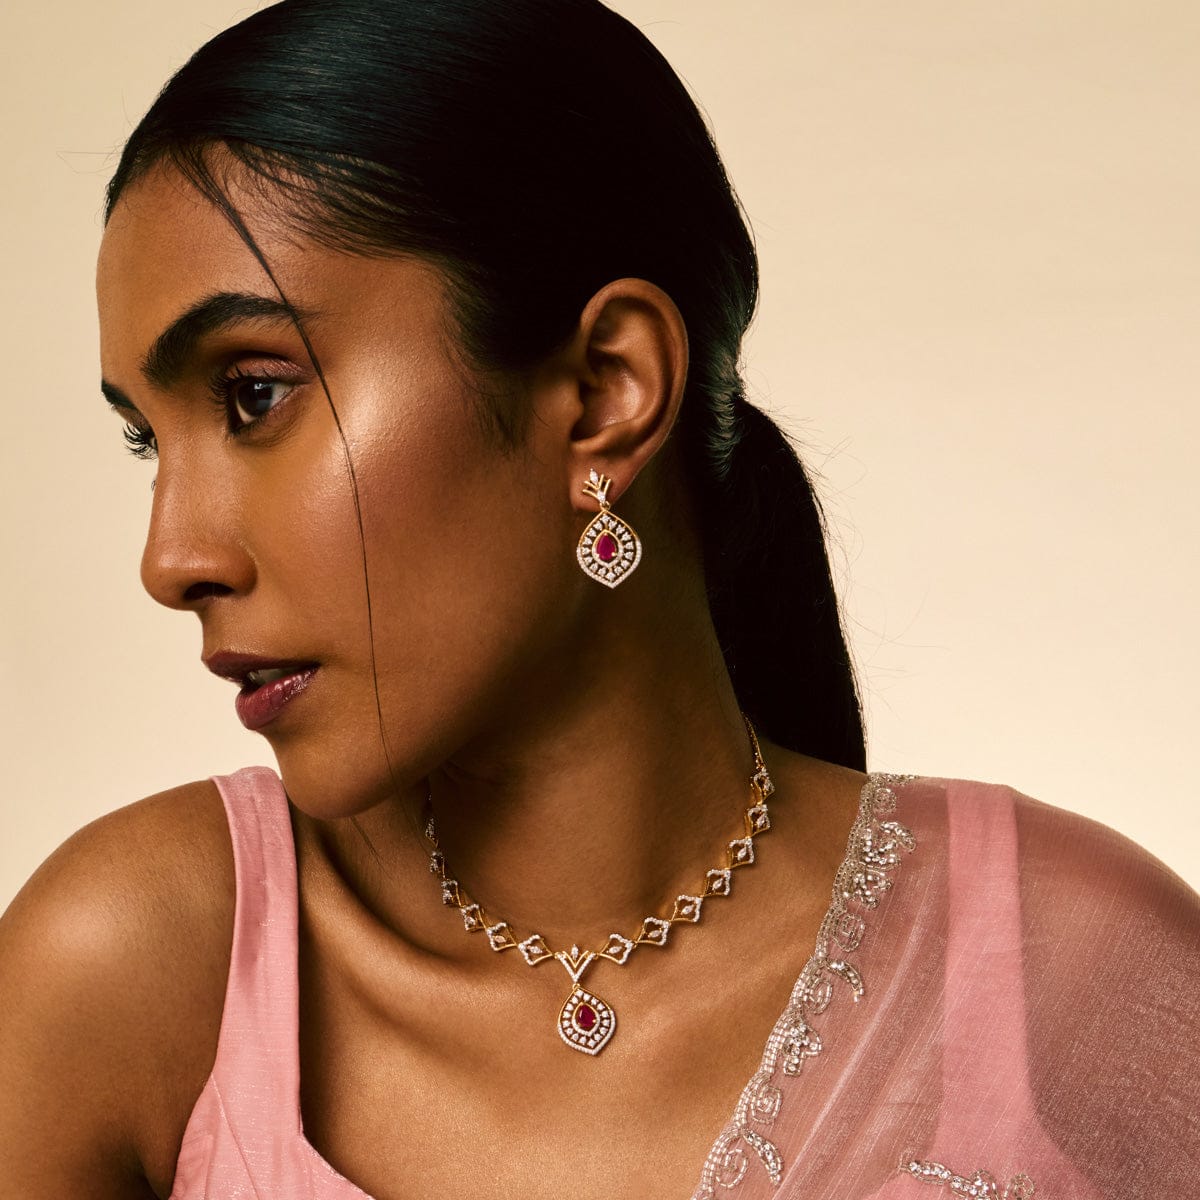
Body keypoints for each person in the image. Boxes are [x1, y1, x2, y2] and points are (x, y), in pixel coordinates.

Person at [1, 1, 1197, 1196]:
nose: (171, 559)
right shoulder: (133, 977)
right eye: (146, 440)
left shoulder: (1076, 976)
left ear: (604, 391)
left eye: (254, 394)